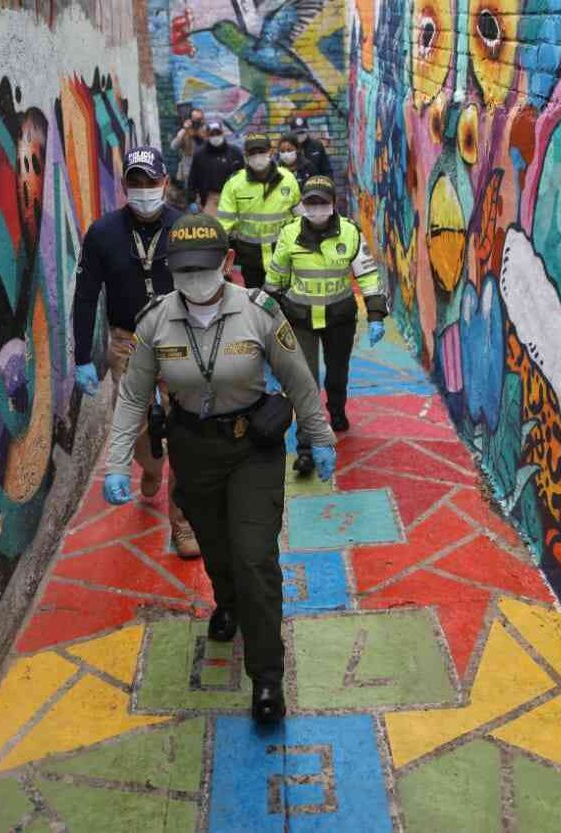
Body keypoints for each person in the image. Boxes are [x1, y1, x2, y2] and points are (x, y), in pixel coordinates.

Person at [101, 213, 337, 723]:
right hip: (192, 451)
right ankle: (225, 601)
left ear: (227, 263)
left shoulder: (260, 313)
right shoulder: (154, 321)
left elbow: (298, 381)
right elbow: (133, 396)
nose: (194, 279)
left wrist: (320, 438)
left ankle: (267, 677)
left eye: (204, 268)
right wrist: (118, 462)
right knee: (216, 546)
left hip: (251, 448)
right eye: (183, 270)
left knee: (255, 556)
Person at [72, 146, 201, 557]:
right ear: (125, 185)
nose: (143, 190)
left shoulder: (185, 228)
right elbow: (85, 296)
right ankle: (150, 464)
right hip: (128, 343)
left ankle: (182, 526)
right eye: (135, 182)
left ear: (165, 182)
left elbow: (205, 286)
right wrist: (81, 358)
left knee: (184, 432)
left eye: (151, 182)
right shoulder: (103, 233)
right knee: (142, 429)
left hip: (179, 339)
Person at [265, 175, 387, 464]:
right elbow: (275, 280)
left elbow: (368, 275)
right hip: (300, 319)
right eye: (311, 202)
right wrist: (265, 318)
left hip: (339, 318)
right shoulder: (289, 234)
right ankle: (306, 445)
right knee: (304, 380)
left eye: (323, 202)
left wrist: (376, 314)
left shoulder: (350, 233)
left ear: (333, 204)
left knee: (337, 373)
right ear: (303, 205)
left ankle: (337, 408)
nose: (317, 208)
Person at [216, 133, 300, 290]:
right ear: (246, 156)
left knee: (285, 303)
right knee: (255, 304)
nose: (257, 156)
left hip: (282, 254)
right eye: (252, 153)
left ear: (270, 152)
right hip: (250, 258)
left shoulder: (288, 179)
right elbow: (223, 225)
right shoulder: (235, 184)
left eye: (261, 151)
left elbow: (300, 219)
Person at [187, 120, 243, 217]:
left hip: (233, 197)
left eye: (218, 133)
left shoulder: (235, 153)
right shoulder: (200, 155)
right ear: (207, 135)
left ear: (223, 133)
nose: (215, 136)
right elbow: (193, 178)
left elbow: (244, 176)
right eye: (212, 134)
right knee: (211, 228)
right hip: (211, 198)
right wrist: (191, 200)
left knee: (232, 229)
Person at [169, 108, 206, 190]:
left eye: (199, 119)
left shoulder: (206, 130)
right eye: (195, 120)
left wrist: (195, 135)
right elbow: (173, 146)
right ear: (190, 120)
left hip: (205, 171)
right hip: (189, 172)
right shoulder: (184, 132)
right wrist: (184, 130)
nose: (197, 122)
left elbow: (206, 144)